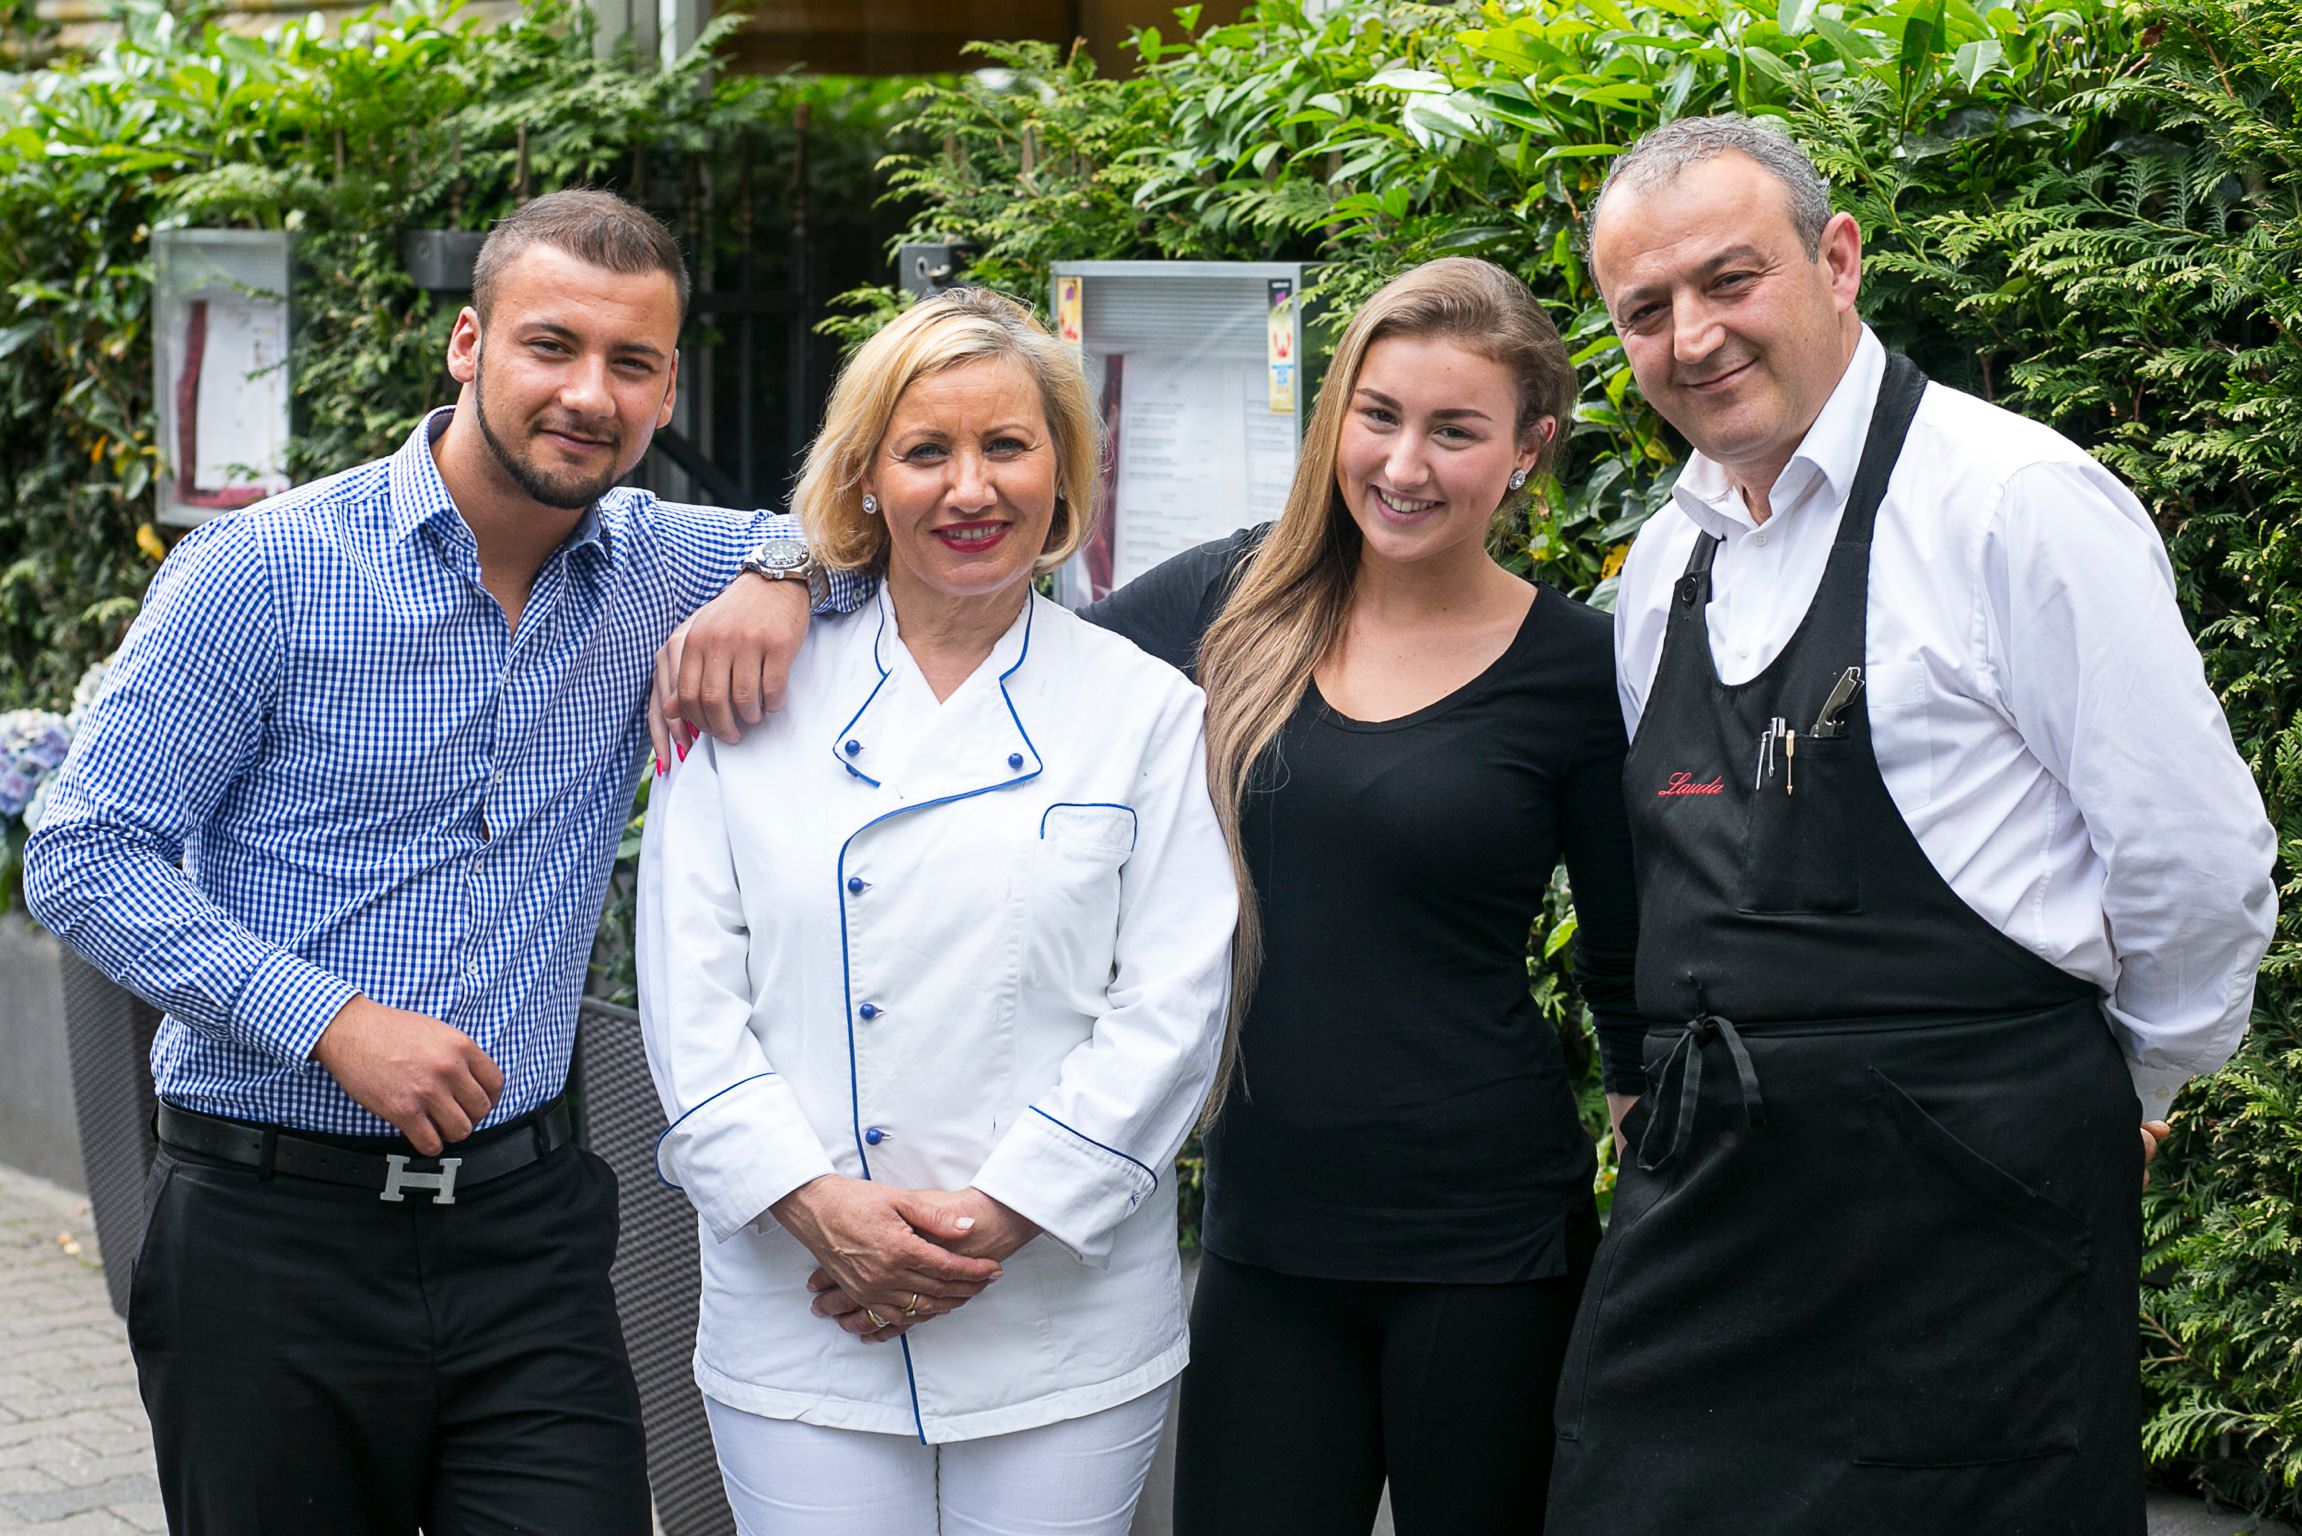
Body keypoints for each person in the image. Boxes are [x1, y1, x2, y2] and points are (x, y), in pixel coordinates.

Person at [660, 258, 1644, 1533]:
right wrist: (783, 572)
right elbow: (970, 596)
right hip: (1263, 1231)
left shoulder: (1575, 667)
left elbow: (1620, 972)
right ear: (1335, 419)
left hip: (1482, 1227)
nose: (1405, 464)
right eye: (1379, 416)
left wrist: (1658, 1204)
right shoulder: (1229, 608)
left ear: (1528, 450)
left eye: (1455, 430)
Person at [21, 189, 883, 1534]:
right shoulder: (265, 572)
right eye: (551, 345)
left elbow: (893, 525)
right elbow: (82, 852)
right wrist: (332, 1022)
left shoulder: (665, 565)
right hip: (268, 1235)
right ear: (469, 345)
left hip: (528, 1235)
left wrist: (782, 569)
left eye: (632, 363)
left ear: (666, 393)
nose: (588, 394)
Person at [1545, 115, 2279, 1535]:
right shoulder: (1665, 561)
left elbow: (2194, 860)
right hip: (1713, 1196)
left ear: (1835, 260)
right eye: (1644, 309)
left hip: (1973, 1192)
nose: (1691, 337)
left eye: (1729, 279)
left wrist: (2124, 1088)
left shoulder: (2013, 504)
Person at [634, 286, 1235, 1536]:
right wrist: (818, 1210)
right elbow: (689, 1003)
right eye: (925, 452)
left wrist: (990, 1222)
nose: (972, 489)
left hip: (1056, 1312)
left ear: (1061, 473)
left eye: (1007, 446)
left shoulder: (1145, 712)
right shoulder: (748, 695)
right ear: (865, 478)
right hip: (803, 1304)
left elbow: (1172, 1007)